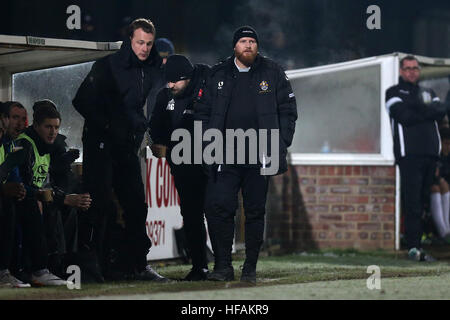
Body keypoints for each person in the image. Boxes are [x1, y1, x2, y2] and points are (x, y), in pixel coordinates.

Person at [194, 26, 298, 283]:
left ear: (257, 46)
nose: (248, 45)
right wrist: (208, 147)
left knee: (254, 211)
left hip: (259, 154)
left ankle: (249, 268)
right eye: (243, 41)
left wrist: (280, 143)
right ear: (234, 47)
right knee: (221, 209)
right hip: (225, 155)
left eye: (252, 41)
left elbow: (288, 109)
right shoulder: (217, 73)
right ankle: (222, 266)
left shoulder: (273, 72)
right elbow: (202, 113)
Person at [72, 18, 168, 282]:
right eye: (140, 42)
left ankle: (137, 265)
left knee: (137, 205)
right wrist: (109, 125)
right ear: (129, 40)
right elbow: (80, 101)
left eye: (148, 43)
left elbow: (136, 108)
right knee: (98, 204)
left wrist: (140, 130)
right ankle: (91, 267)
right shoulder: (107, 66)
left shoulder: (149, 69)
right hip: (101, 146)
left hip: (126, 147)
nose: (145, 48)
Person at [150, 54, 210, 281]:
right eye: (168, 80)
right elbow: (156, 126)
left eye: (176, 80)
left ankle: (223, 264)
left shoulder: (208, 92)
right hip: (184, 167)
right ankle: (200, 266)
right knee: (192, 215)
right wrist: (161, 143)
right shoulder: (165, 97)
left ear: (188, 77)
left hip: (211, 166)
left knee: (216, 213)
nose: (171, 84)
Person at [385, 55, 447, 261]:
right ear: (401, 71)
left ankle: (421, 244)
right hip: (409, 155)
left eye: (415, 68)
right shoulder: (393, 92)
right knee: (412, 203)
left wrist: (419, 108)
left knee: (423, 202)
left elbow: (440, 111)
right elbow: (404, 117)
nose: (412, 71)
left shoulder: (428, 91)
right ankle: (413, 247)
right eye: (408, 68)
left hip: (431, 154)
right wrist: (426, 110)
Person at [0, 103, 29, 287]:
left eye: (23, 119)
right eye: (14, 118)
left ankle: (30, 269)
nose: (19, 123)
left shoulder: (13, 146)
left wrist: (22, 190)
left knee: (31, 202)